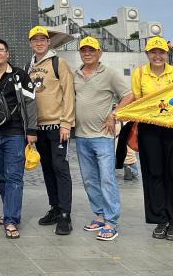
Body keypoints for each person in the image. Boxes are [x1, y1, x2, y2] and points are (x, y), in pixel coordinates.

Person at [116, 36, 173, 242]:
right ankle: (160, 219)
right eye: (153, 52)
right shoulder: (140, 73)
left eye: (161, 52)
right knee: (154, 174)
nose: (157, 56)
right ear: (147, 54)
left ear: (167, 54)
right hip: (149, 129)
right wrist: (117, 112)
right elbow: (136, 98)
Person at [73, 36, 134, 241]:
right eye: (84, 50)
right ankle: (99, 215)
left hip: (102, 136)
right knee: (89, 179)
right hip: (81, 136)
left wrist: (113, 114)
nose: (87, 53)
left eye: (92, 50)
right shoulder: (75, 74)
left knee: (107, 179)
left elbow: (128, 95)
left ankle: (111, 221)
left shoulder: (109, 73)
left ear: (99, 53)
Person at [0, 39, 38, 239]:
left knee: (14, 176)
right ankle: (10, 212)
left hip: (15, 133)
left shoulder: (19, 75)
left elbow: (31, 103)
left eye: (0, 50)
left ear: (8, 54)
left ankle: (11, 220)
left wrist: (32, 131)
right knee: (0, 174)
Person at [28, 26, 75, 235]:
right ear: (30, 43)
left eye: (42, 39)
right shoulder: (29, 66)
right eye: (35, 40)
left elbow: (69, 93)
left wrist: (66, 122)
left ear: (48, 43)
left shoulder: (59, 63)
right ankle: (55, 207)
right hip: (39, 126)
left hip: (57, 125)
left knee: (60, 167)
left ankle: (65, 214)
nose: (39, 43)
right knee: (47, 167)